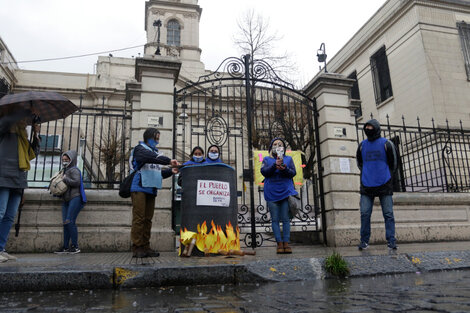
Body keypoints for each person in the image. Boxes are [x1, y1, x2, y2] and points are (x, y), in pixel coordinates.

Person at [130, 128, 179, 258]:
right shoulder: (140, 149)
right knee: (139, 218)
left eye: (158, 138)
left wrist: (170, 171)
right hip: (139, 187)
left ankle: (145, 246)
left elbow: (157, 173)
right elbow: (146, 157)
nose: (157, 141)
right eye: (155, 138)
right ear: (149, 137)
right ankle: (137, 246)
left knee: (147, 219)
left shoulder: (155, 153)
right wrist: (167, 160)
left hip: (151, 188)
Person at [0, 108, 41, 262]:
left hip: (18, 178)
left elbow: (33, 154)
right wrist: (24, 111)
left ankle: (1, 248)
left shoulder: (22, 136)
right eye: (24, 119)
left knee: (10, 216)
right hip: (3, 176)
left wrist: (36, 134)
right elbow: (6, 121)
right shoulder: (4, 129)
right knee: (0, 212)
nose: (25, 121)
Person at [356, 119, 398, 251]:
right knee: (365, 214)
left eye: (370, 127)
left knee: (388, 214)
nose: (368, 129)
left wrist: (387, 176)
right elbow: (360, 163)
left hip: (384, 184)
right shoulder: (362, 145)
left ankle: (391, 241)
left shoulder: (387, 144)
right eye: (366, 127)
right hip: (367, 185)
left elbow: (394, 163)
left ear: (376, 128)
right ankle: (364, 241)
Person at [260, 138, 297, 254]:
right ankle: (279, 244)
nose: (277, 146)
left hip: (285, 191)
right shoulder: (266, 159)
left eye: (280, 144)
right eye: (275, 144)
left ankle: (286, 243)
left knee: (286, 219)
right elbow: (264, 172)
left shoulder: (288, 159)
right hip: (271, 192)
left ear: (284, 148)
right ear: (271, 147)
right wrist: (274, 166)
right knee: (275, 219)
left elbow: (293, 173)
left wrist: (284, 169)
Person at [54, 150, 87, 254]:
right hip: (66, 199)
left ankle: (75, 246)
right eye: (63, 160)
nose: (64, 161)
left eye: (66, 159)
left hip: (75, 198)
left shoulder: (74, 170)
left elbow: (77, 182)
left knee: (69, 221)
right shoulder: (65, 170)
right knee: (65, 223)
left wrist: (65, 179)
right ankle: (65, 247)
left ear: (71, 160)